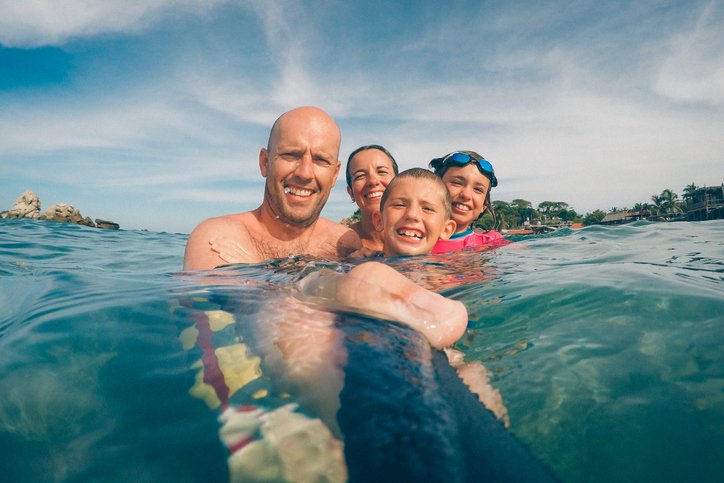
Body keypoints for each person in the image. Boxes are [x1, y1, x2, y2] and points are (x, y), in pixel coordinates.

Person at [183, 106, 361, 271]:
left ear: (334, 175)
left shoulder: (346, 243)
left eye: (320, 160)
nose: (305, 173)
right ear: (265, 163)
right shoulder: (218, 236)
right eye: (290, 155)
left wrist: (257, 269)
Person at [428, 151, 507, 254]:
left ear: (484, 205)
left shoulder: (492, 242)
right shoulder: (412, 239)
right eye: (456, 183)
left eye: (478, 190)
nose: (466, 195)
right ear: (434, 187)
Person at [344, 144, 398, 253]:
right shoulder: (340, 246)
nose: (373, 181)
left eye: (382, 172)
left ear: (399, 182)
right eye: (360, 176)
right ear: (351, 192)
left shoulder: (424, 235)